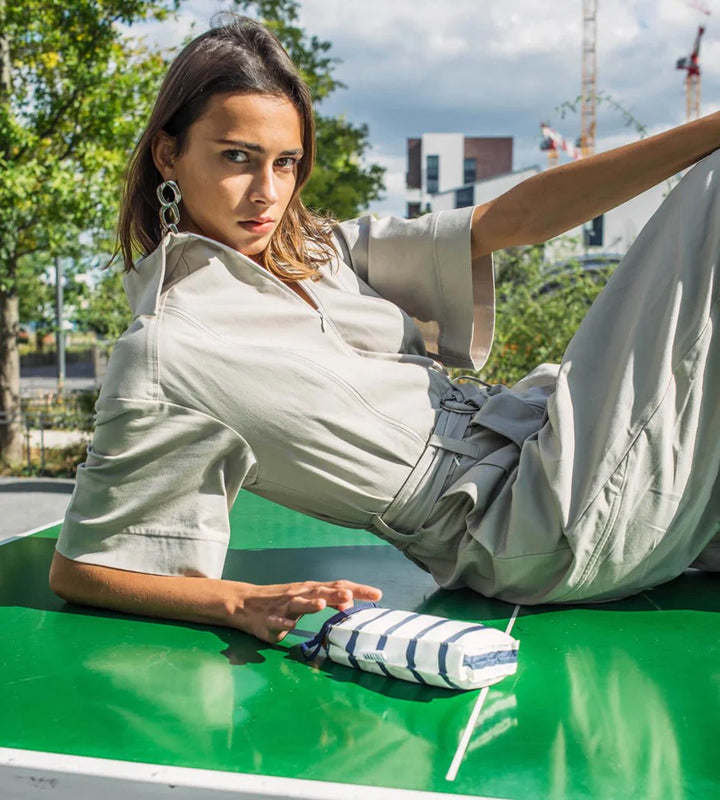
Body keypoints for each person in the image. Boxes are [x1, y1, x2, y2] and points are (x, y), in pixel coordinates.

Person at [50, 14, 720, 643]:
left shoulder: (320, 251)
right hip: (535, 523)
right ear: (168, 154)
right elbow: (81, 566)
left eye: (285, 162)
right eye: (236, 157)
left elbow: (512, 221)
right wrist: (239, 601)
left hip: (556, 438)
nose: (267, 192)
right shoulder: (168, 350)